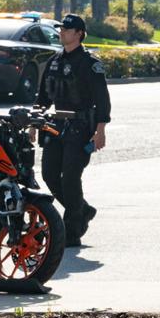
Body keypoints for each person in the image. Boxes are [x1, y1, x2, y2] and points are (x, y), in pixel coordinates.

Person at [34, 14, 110, 247]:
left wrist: (100, 130)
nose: (62, 33)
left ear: (79, 34)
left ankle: (72, 229)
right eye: (61, 29)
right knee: (48, 174)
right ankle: (82, 209)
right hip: (55, 124)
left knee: (70, 178)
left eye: (67, 30)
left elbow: (102, 99)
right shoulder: (54, 60)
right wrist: (34, 122)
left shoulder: (89, 63)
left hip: (80, 126)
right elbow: (43, 97)